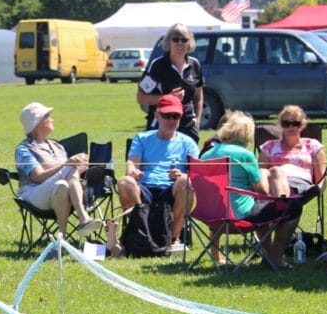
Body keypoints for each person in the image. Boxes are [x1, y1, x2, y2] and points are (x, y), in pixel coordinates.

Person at [200, 110, 303, 269]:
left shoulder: (206, 155)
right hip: (239, 217)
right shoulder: (245, 155)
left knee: (261, 212)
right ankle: (276, 257)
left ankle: (268, 256)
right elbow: (262, 191)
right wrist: (265, 175)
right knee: (293, 207)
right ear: (246, 134)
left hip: (210, 215)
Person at [117, 94, 200, 246]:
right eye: (166, 116)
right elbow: (132, 163)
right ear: (157, 115)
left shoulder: (188, 143)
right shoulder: (142, 138)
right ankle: (144, 235)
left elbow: (196, 175)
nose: (171, 120)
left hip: (171, 189)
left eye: (175, 116)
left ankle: (172, 239)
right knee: (124, 182)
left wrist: (182, 175)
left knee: (186, 182)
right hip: (144, 188)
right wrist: (133, 172)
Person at [14, 102, 102, 239]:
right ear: (38, 123)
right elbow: (38, 177)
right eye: (48, 116)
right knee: (69, 169)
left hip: (60, 191)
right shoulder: (25, 149)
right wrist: (68, 164)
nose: (52, 119)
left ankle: (62, 237)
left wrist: (80, 167)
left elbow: (67, 175)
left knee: (62, 184)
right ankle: (83, 217)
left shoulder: (57, 146)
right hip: (34, 195)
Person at [138, 23, 205, 142]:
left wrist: (197, 121)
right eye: (176, 40)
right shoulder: (158, 65)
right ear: (169, 42)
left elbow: (198, 97)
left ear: (189, 43)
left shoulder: (195, 64)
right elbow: (141, 97)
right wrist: (169, 98)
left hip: (188, 125)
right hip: (161, 125)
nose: (180, 43)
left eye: (184, 40)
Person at [258, 105, 325, 200]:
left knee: (277, 175)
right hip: (273, 183)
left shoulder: (313, 145)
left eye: (295, 123)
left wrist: (317, 190)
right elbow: (260, 175)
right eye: (286, 123)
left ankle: (282, 204)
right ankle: (284, 204)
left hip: (300, 185)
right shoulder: (269, 147)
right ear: (281, 125)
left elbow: (321, 179)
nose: (291, 127)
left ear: (302, 125)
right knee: (275, 172)